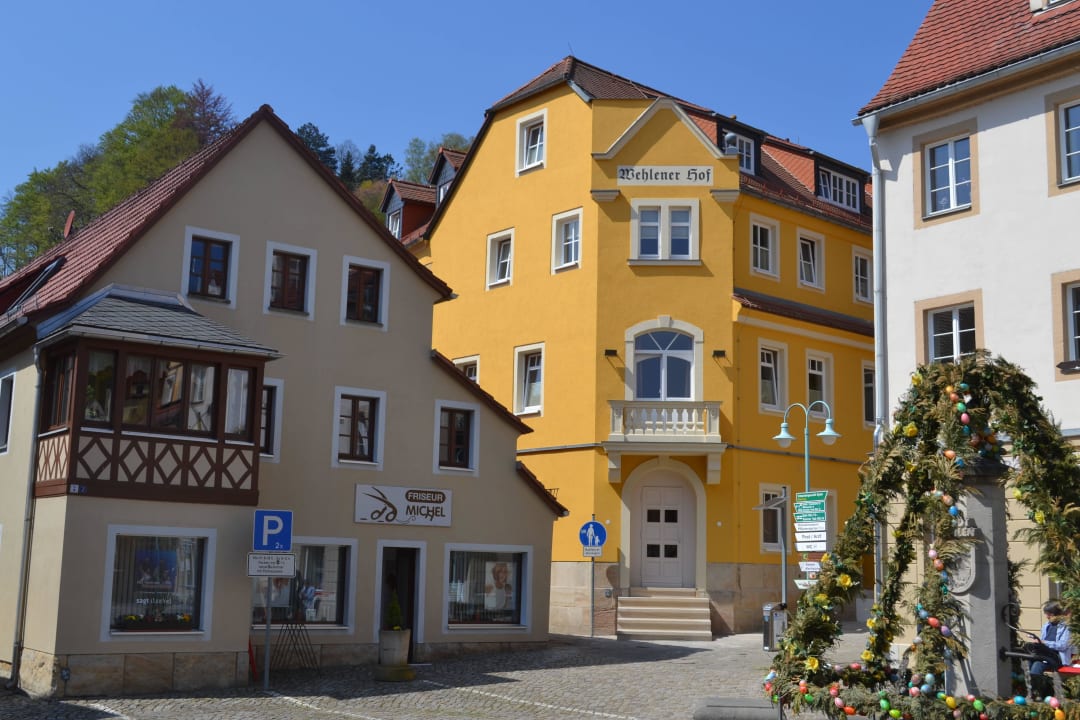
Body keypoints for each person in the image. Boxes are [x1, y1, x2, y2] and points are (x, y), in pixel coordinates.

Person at [1029, 600, 1073, 694]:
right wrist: (1037, 640)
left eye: (1050, 614)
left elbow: (1063, 645)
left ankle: (1037, 693)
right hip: (1045, 654)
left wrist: (1045, 643)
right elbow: (1043, 641)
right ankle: (1028, 690)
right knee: (1028, 661)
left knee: (1037, 665)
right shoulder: (1047, 625)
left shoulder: (1066, 627)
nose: (1047, 616)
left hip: (1057, 657)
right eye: (1046, 614)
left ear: (1058, 614)